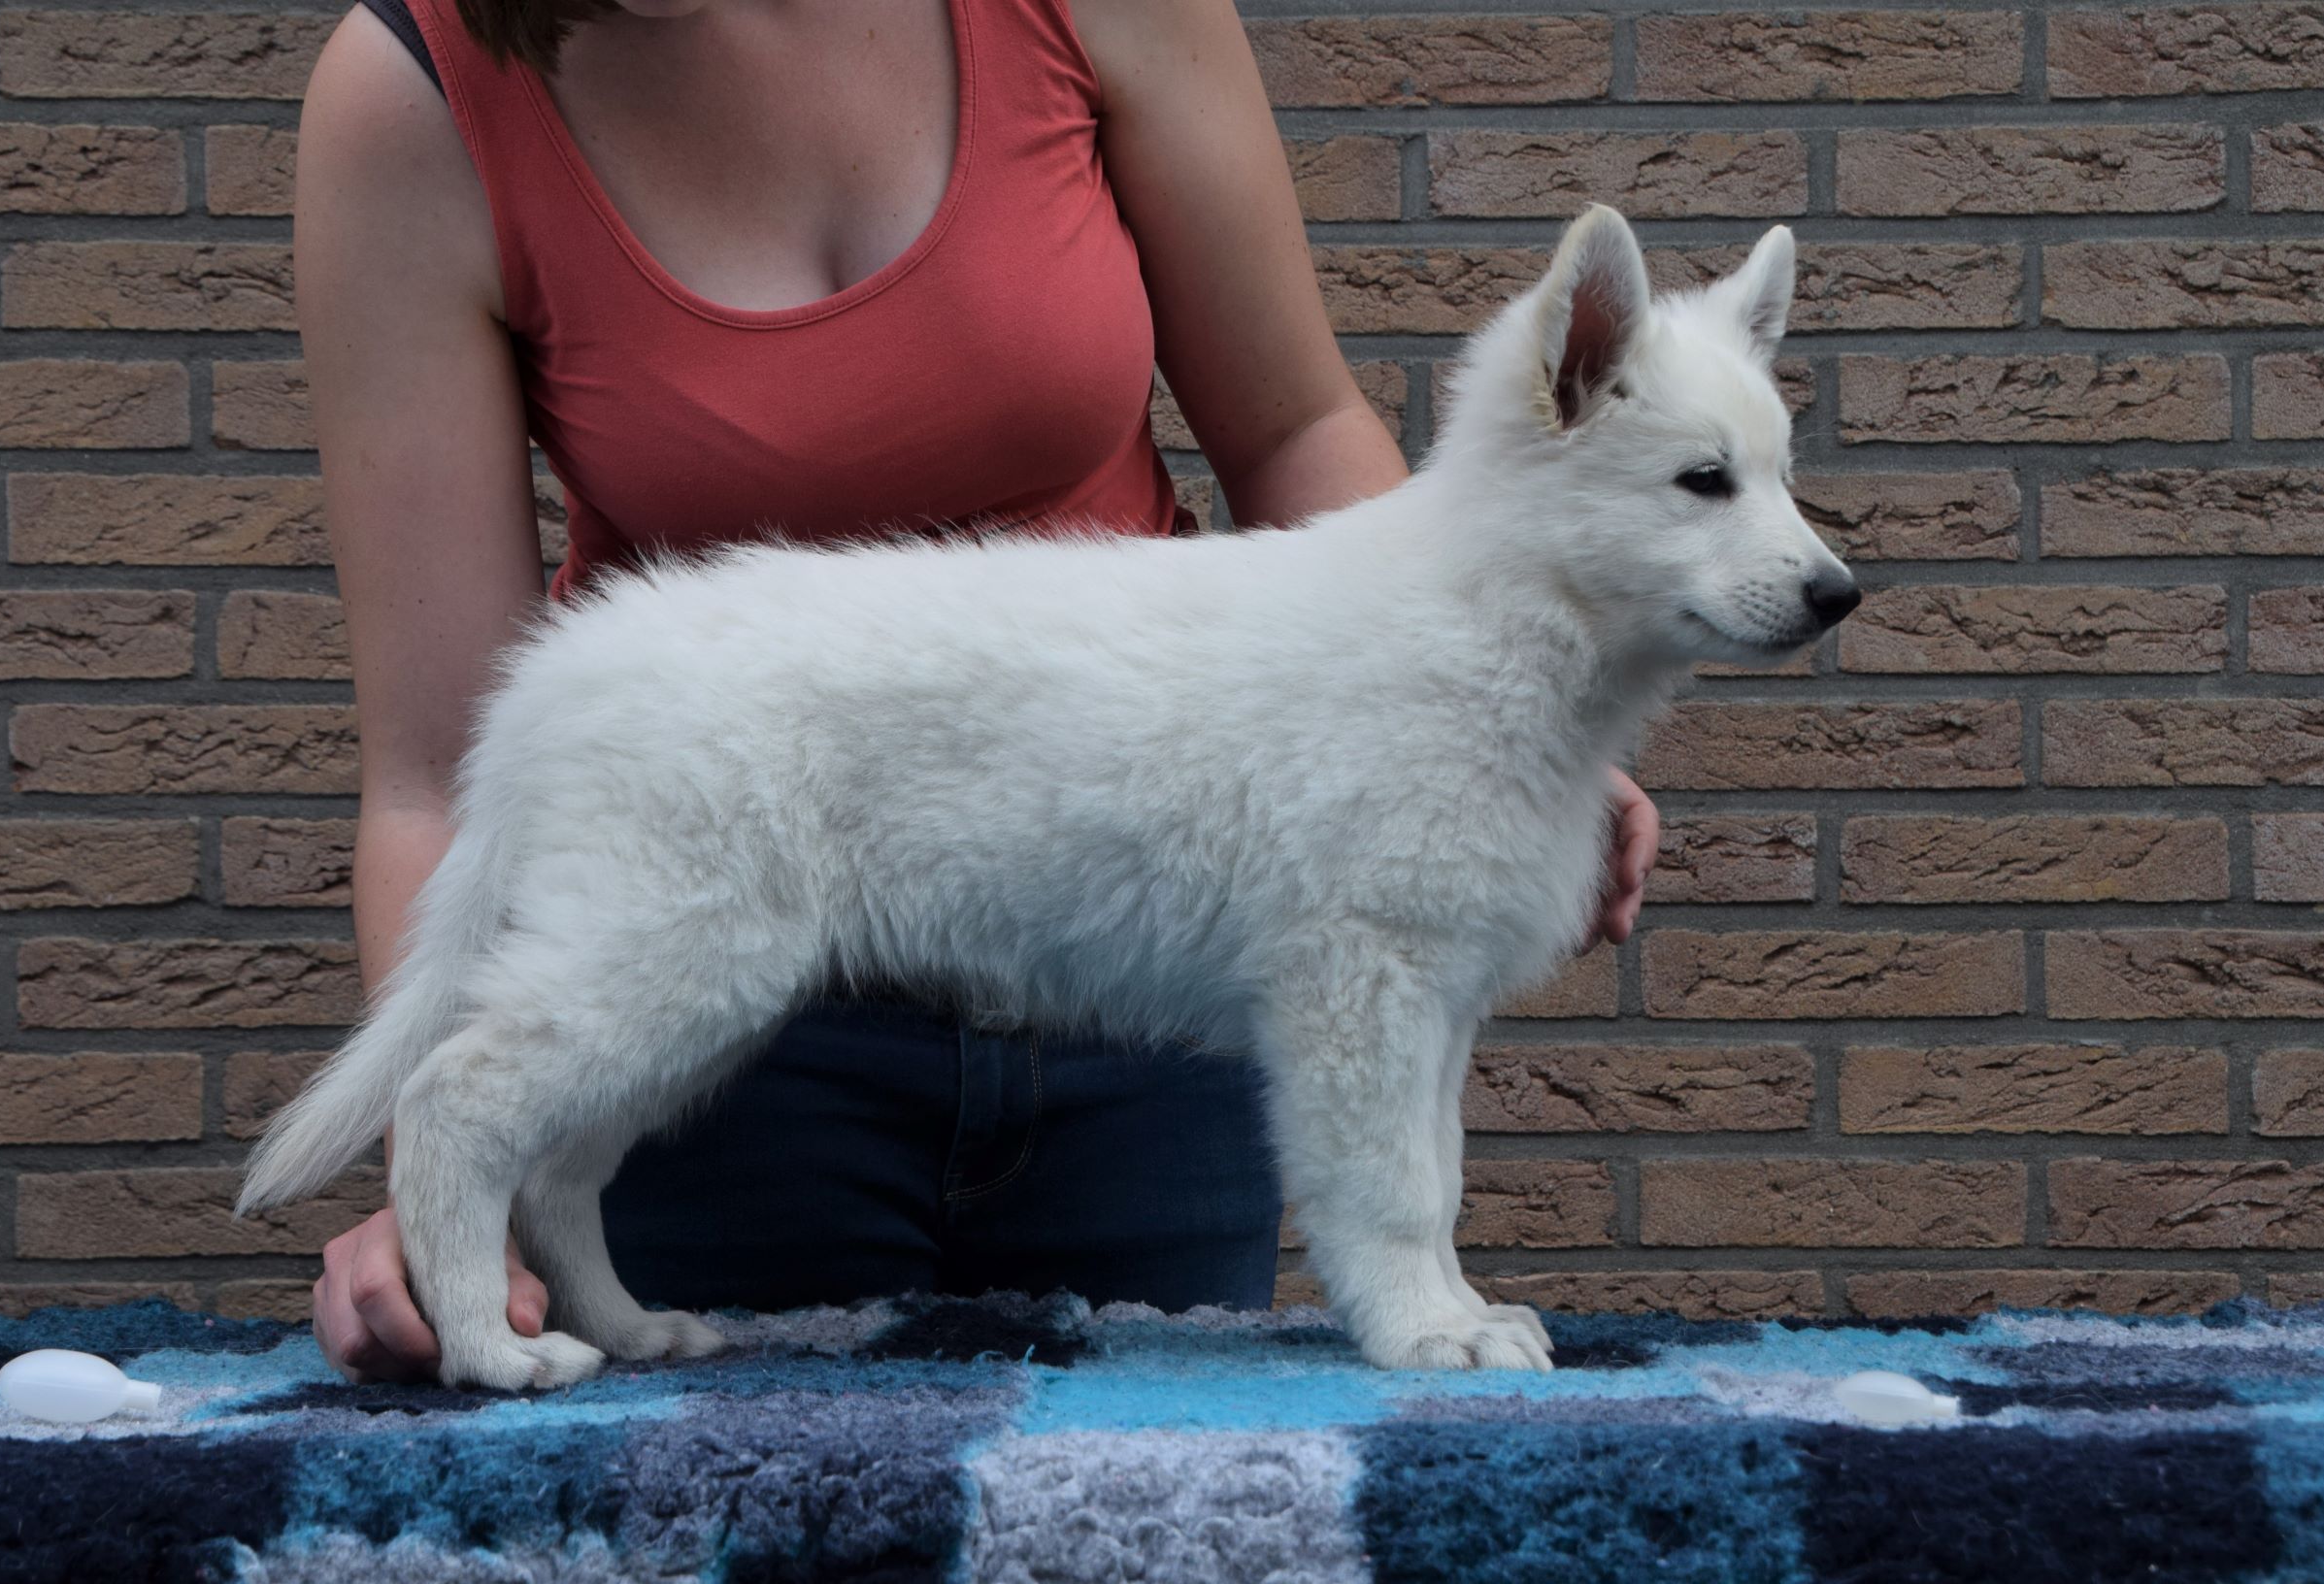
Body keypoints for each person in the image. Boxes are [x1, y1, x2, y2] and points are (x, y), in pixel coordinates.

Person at [298, 0, 1663, 1383]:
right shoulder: (418, 88)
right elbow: (432, 770)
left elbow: (1295, 424)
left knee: (1168, 1473)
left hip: (1142, 953)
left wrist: (1466, 727)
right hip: (752, 1008)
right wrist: (442, 1193)